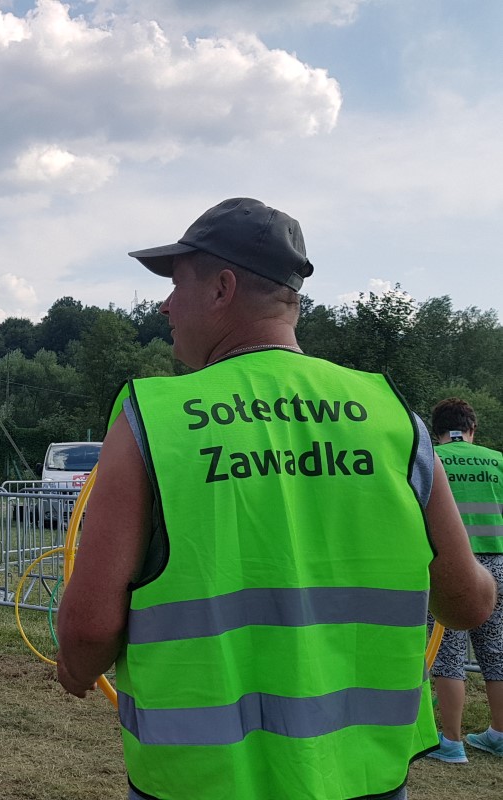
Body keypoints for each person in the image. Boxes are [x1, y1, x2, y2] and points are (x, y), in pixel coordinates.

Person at [55, 197, 497, 800]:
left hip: (201, 778)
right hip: (362, 773)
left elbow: (88, 630)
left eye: (176, 283)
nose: (164, 305)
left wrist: (76, 668)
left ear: (222, 288)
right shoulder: (392, 418)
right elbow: (468, 603)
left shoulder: (152, 418)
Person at [424, 397, 503, 762]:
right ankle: (498, 735)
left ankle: (451, 742)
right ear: (472, 428)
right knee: (496, 651)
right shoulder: (497, 460)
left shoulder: (430, 459)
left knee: (448, 655)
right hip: (497, 564)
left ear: (436, 430)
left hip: (449, 567)